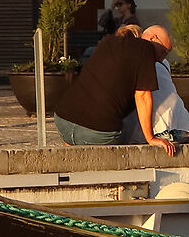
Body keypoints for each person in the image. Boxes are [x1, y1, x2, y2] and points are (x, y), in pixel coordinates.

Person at [53, 22, 176, 151]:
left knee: (79, 138)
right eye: (163, 52)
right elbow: (143, 96)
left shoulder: (108, 42)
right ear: (153, 38)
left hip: (63, 121)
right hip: (97, 133)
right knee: (131, 140)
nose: (161, 59)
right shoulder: (146, 49)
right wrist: (150, 138)